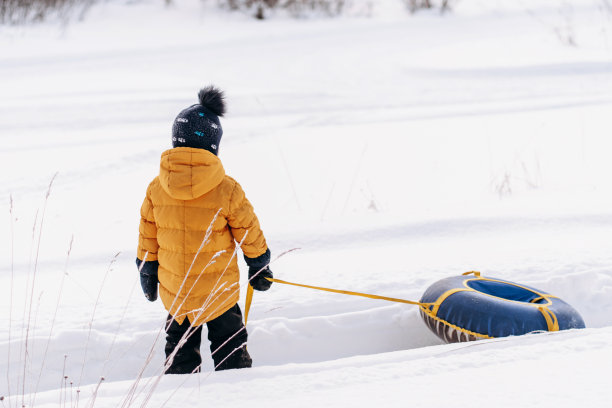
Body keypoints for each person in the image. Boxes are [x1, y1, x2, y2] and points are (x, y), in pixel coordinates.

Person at [136, 86, 273, 374]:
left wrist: (147, 268)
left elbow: (147, 236)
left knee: (180, 355)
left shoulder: (156, 188)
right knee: (230, 349)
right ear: (213, 146)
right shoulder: (227, 189)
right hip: (219, 293)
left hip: (177, 294)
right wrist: (258, 263)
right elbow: (248, 230)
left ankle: (181, 394)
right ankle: (237, 392)